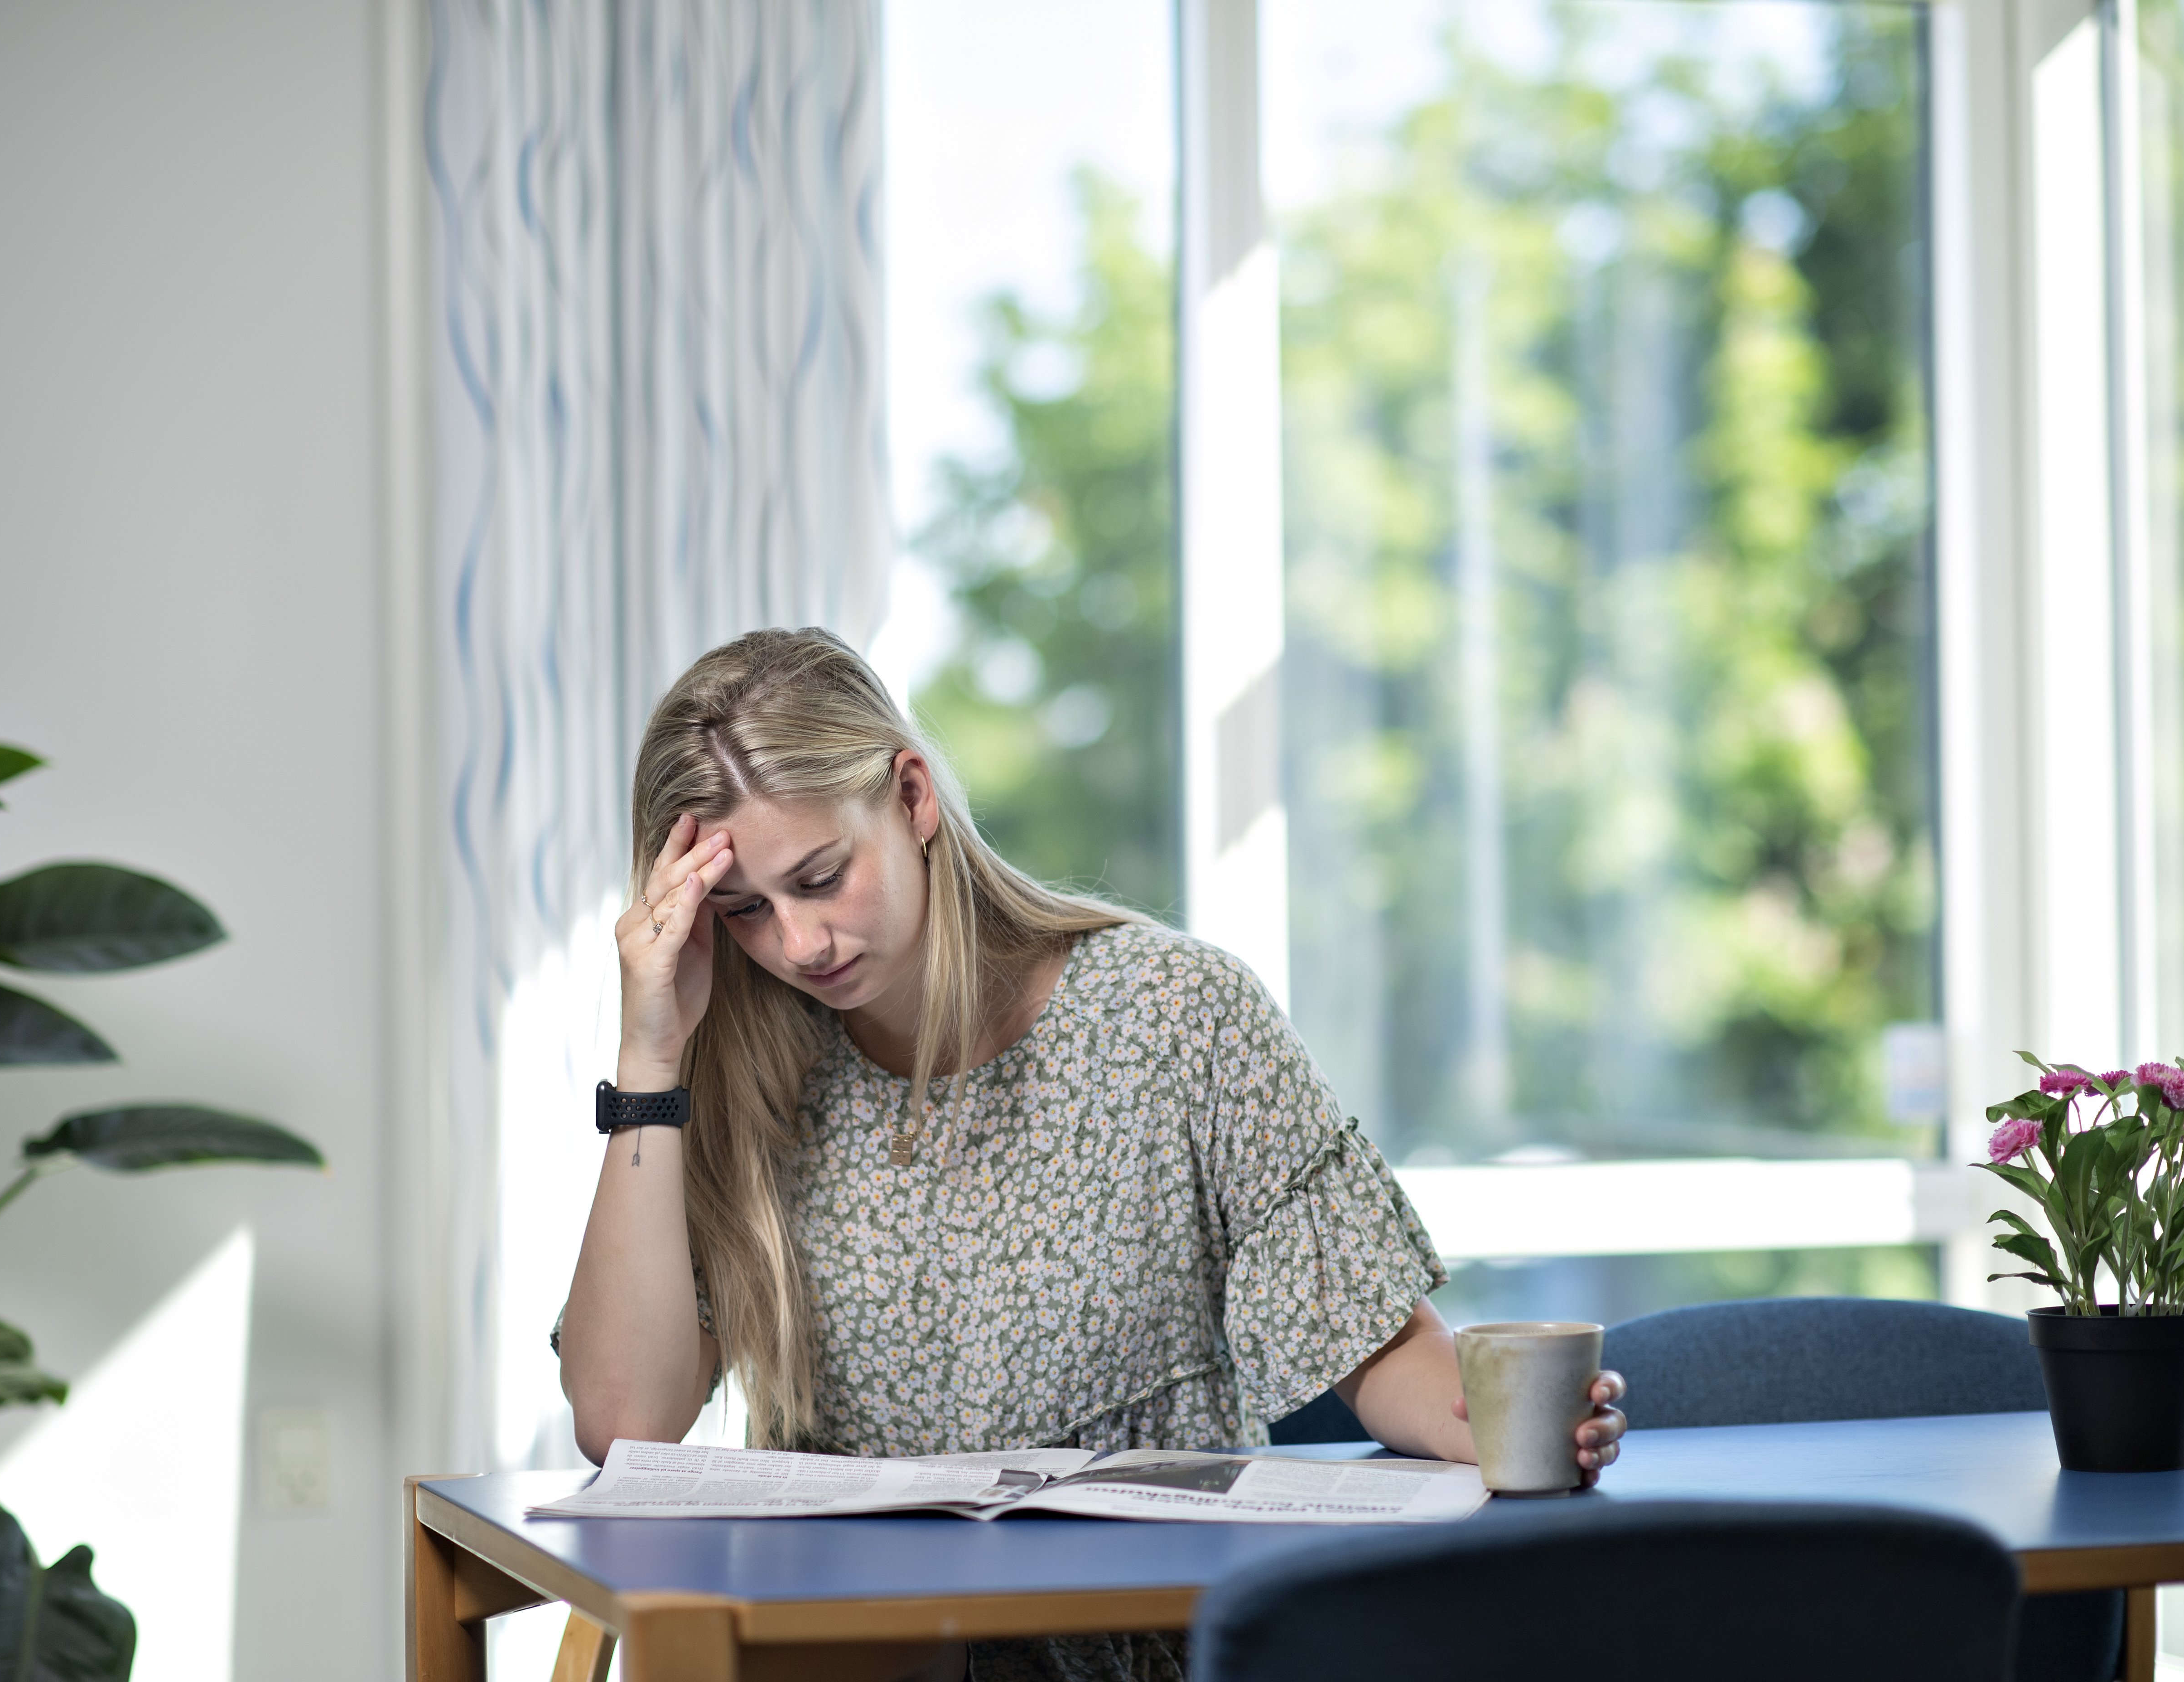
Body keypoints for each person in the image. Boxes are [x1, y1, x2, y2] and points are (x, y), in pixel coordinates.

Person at [558, 627, 1626, 1682]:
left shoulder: (1177, 1013)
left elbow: (1370, 1340)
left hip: (1147, 1644)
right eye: (745, 910)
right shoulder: (741, 1078)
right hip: (867, 1656)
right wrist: (650, 1053)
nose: (800, 943)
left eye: (822, 876)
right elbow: (624, 1424)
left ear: (913, 798)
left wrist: (1515, 1424)